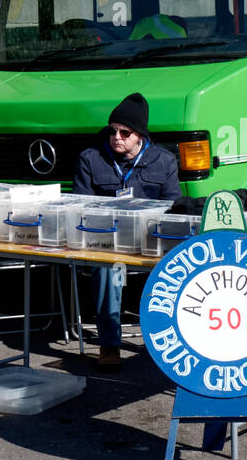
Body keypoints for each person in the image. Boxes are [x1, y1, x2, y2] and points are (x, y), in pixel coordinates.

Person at [73, 93, 180, 369]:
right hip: (108, 240)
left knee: (183, 260)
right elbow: (80, 206)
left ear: (139, 136)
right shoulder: (90, 159)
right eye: (113, 131)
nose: (116, 137)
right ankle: (110, 345)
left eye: (124, 132)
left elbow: (174, 207)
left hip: (151, 238)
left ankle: (174, 344)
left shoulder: (164, 161)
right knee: (108, 266)